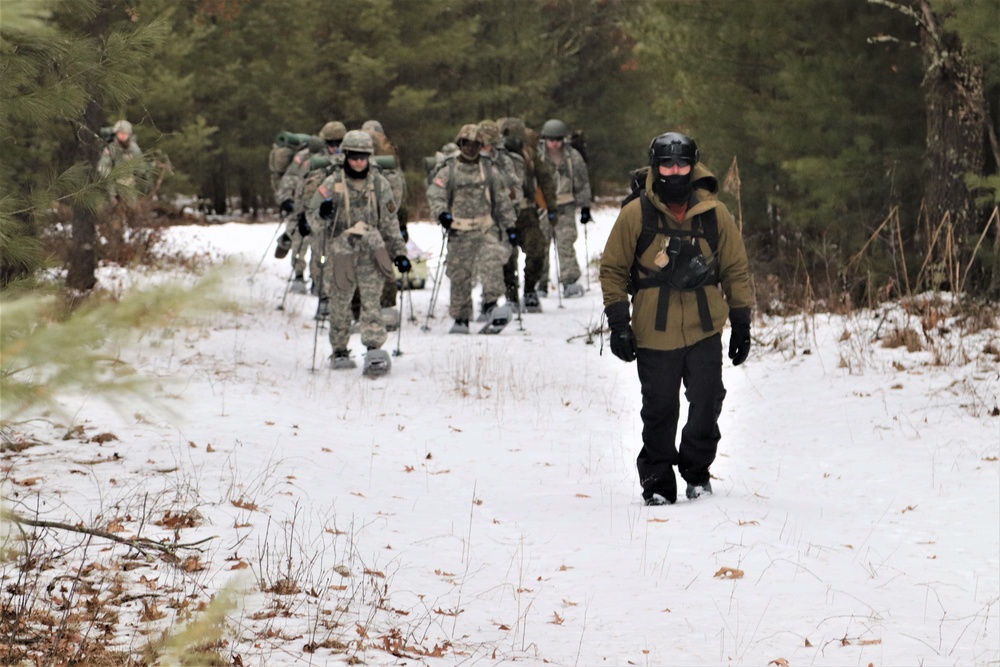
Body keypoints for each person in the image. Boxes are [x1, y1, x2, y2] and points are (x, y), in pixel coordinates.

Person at [599, 132, 752, 506]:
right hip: (654, 330)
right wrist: (618, 324)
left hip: (704, 327)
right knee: (659, 409)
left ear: (693, 166)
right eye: (666, 164)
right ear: (655, 166)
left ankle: (697, 472)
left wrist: (742, 322)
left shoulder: (715, 214)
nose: (674, 171)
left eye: (682, 164)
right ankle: (657, 483)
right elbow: (613, 269)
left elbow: (735, 269)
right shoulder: (636, 214)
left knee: (707, 401)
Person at [306, 130, 410, 369]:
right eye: (354, 157)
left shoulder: (379, 184)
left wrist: (399, 253)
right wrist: (322, 214)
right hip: (341, 249)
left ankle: (374, 347)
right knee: (340, 302)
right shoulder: (332, 183)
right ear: (346, 156)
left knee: (372, 300)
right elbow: (313, 219)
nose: (358, 162)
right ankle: (339, 349)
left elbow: (389, 222)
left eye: (363, 157)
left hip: (372, 249)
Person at [426, 124, 516, 334]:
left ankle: (490, 305)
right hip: (459, 230)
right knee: (460, 275)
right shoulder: (449, 170)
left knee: (492, 265)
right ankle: (461, 317)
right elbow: (436, 195)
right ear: (460, 144)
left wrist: (510, 225)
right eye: (466, 144)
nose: (471, 148)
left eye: (475, 144)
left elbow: (502, 199)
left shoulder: (489, 170)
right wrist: (442, 214)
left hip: (486, 228)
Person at [275, 121, 345, 295]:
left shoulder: (349, 158)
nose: (335, 148)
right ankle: (298, 274)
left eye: (338, 143)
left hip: (330, 210)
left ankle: (318, 279)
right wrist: (287, 199)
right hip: (304, 205)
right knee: (299, 240)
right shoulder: (308, 157)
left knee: (322, 247)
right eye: (331, 144)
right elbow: (292, 177)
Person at [499, 118, 557, 313]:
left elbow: (545, 180)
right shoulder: (495, 158)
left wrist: (552, 207)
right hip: (503, 215)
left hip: (527, 214)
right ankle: (510, 294)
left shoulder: (529, 156)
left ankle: (530, 290)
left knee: (537, 251)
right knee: (506, 257)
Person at [537, 118, 592, 298]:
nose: (555, 144)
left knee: (566, 243)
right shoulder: (537, 156)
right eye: (551, 140)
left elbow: (582, 182)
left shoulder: (572, 156)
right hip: (543, 206)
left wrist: (585, 207)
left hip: (565, 205)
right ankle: (540, 282)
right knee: (541, 245)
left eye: (558, 140)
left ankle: (569, 281)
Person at [97, 120, 143, 198]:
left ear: (129, 134)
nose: (122, 136)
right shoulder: (111, 148)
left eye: (125, 133)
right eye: (120, 133)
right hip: (113, 184)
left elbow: (141, 168)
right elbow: (102, 167)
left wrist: (139, 181)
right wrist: (110, 178)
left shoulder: (135, 149)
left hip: (131, 185)